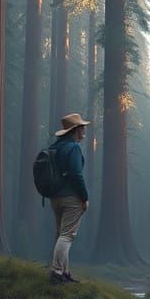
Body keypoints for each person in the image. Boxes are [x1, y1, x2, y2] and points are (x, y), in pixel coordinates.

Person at [49, 113, 90, 284]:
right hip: (71, 198)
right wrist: (84, 197)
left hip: (55, 197)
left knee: (61, 234)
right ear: (75, 130)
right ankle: (57, 272)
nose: (84, 131)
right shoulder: (73, 148)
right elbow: (76, 175)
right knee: (67, 236)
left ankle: (65, 272)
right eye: (82, 128)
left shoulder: (55, 147)